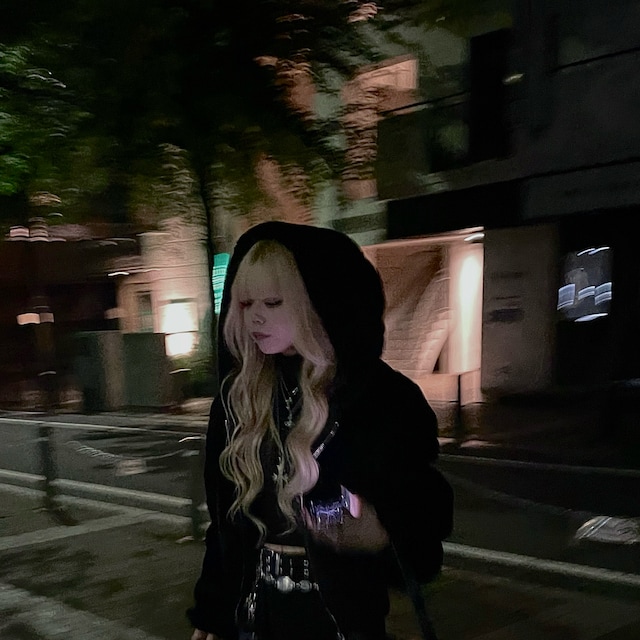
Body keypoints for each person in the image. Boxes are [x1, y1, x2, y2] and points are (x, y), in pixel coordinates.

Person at [188, 221, 448, 640]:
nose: (255, 317)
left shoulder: (379, 398)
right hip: (256, 614)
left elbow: (422, 514)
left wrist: (379, 531)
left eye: (273, 302)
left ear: (316, 302)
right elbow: (225, 526)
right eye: (246, 303)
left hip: (341, 619)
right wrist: (213, 611)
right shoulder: (240, 398)